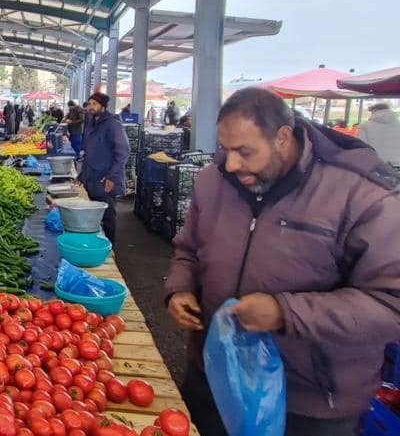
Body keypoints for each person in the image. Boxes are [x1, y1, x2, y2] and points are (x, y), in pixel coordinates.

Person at [165, 87, 400, 436]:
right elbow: (188, 249)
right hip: (215, 374)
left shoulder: (362, 193)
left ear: (283, 137)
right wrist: (180, 288)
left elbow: (389, 303)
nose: (231, 164)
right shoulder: (214, 180)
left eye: (244, 151)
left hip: (308, 402)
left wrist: (285, 312)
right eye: (225, 149)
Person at [77, 92, 129, 243]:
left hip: (106, 178)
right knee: (94, 213)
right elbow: (88, 151)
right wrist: (82, 175)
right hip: (92, 176)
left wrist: (112, 176)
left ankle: (109, 247)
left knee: (107, 215)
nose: (91, 107)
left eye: (95, 104)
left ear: (103, 106)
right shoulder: (91, 122)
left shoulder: (113, 123)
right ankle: (96, 243)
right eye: (89, 104)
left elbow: (123, 151)